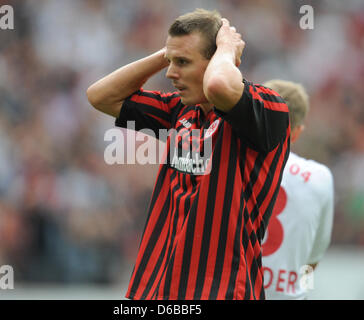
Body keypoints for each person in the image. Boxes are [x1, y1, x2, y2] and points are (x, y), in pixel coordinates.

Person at [87, 9, 290, 300]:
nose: (170, 73)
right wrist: (167, 53)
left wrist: (227, 49)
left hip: (224, 290)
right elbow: (100, 95)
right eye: (171, 62)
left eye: (182, 62)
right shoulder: (179, 111)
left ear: (218, 60)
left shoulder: (268, 108)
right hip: (159, 290)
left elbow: (219, 86)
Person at [260, 80, 334, 300]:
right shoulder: (321, 178)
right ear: (298, 131)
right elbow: (312, 261)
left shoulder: (232, 163)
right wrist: (299, 290)